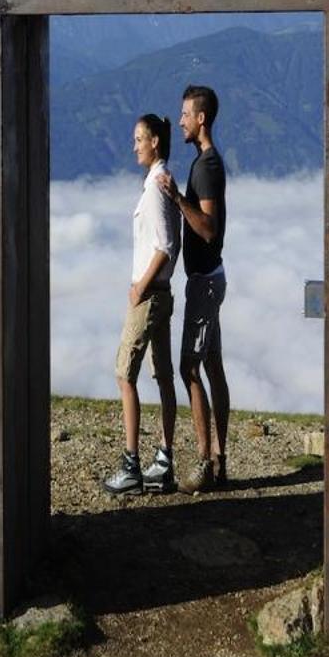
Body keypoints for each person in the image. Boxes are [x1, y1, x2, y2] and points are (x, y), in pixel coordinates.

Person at [102, 113, 181, 496]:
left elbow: (166, 247)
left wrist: (139, 289)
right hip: (161, 295)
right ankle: (164, 461)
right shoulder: (161, 184)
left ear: (155, 143)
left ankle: (131, 464)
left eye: (139, 139)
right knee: (163, 375)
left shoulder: (154, 189)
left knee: (124, 374)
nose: (134, 145)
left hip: (149, 296)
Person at [157, 84, 231, 491]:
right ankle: (220, 458)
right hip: (211, 277)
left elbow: (207, 228)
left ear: (201, 118)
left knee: (189, 366)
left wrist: (176, 198)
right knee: (214, 365)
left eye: (186, 114)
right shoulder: (206, 162)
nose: (182, 119)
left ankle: (205, 462)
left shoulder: (206, 167)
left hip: (203, 283)